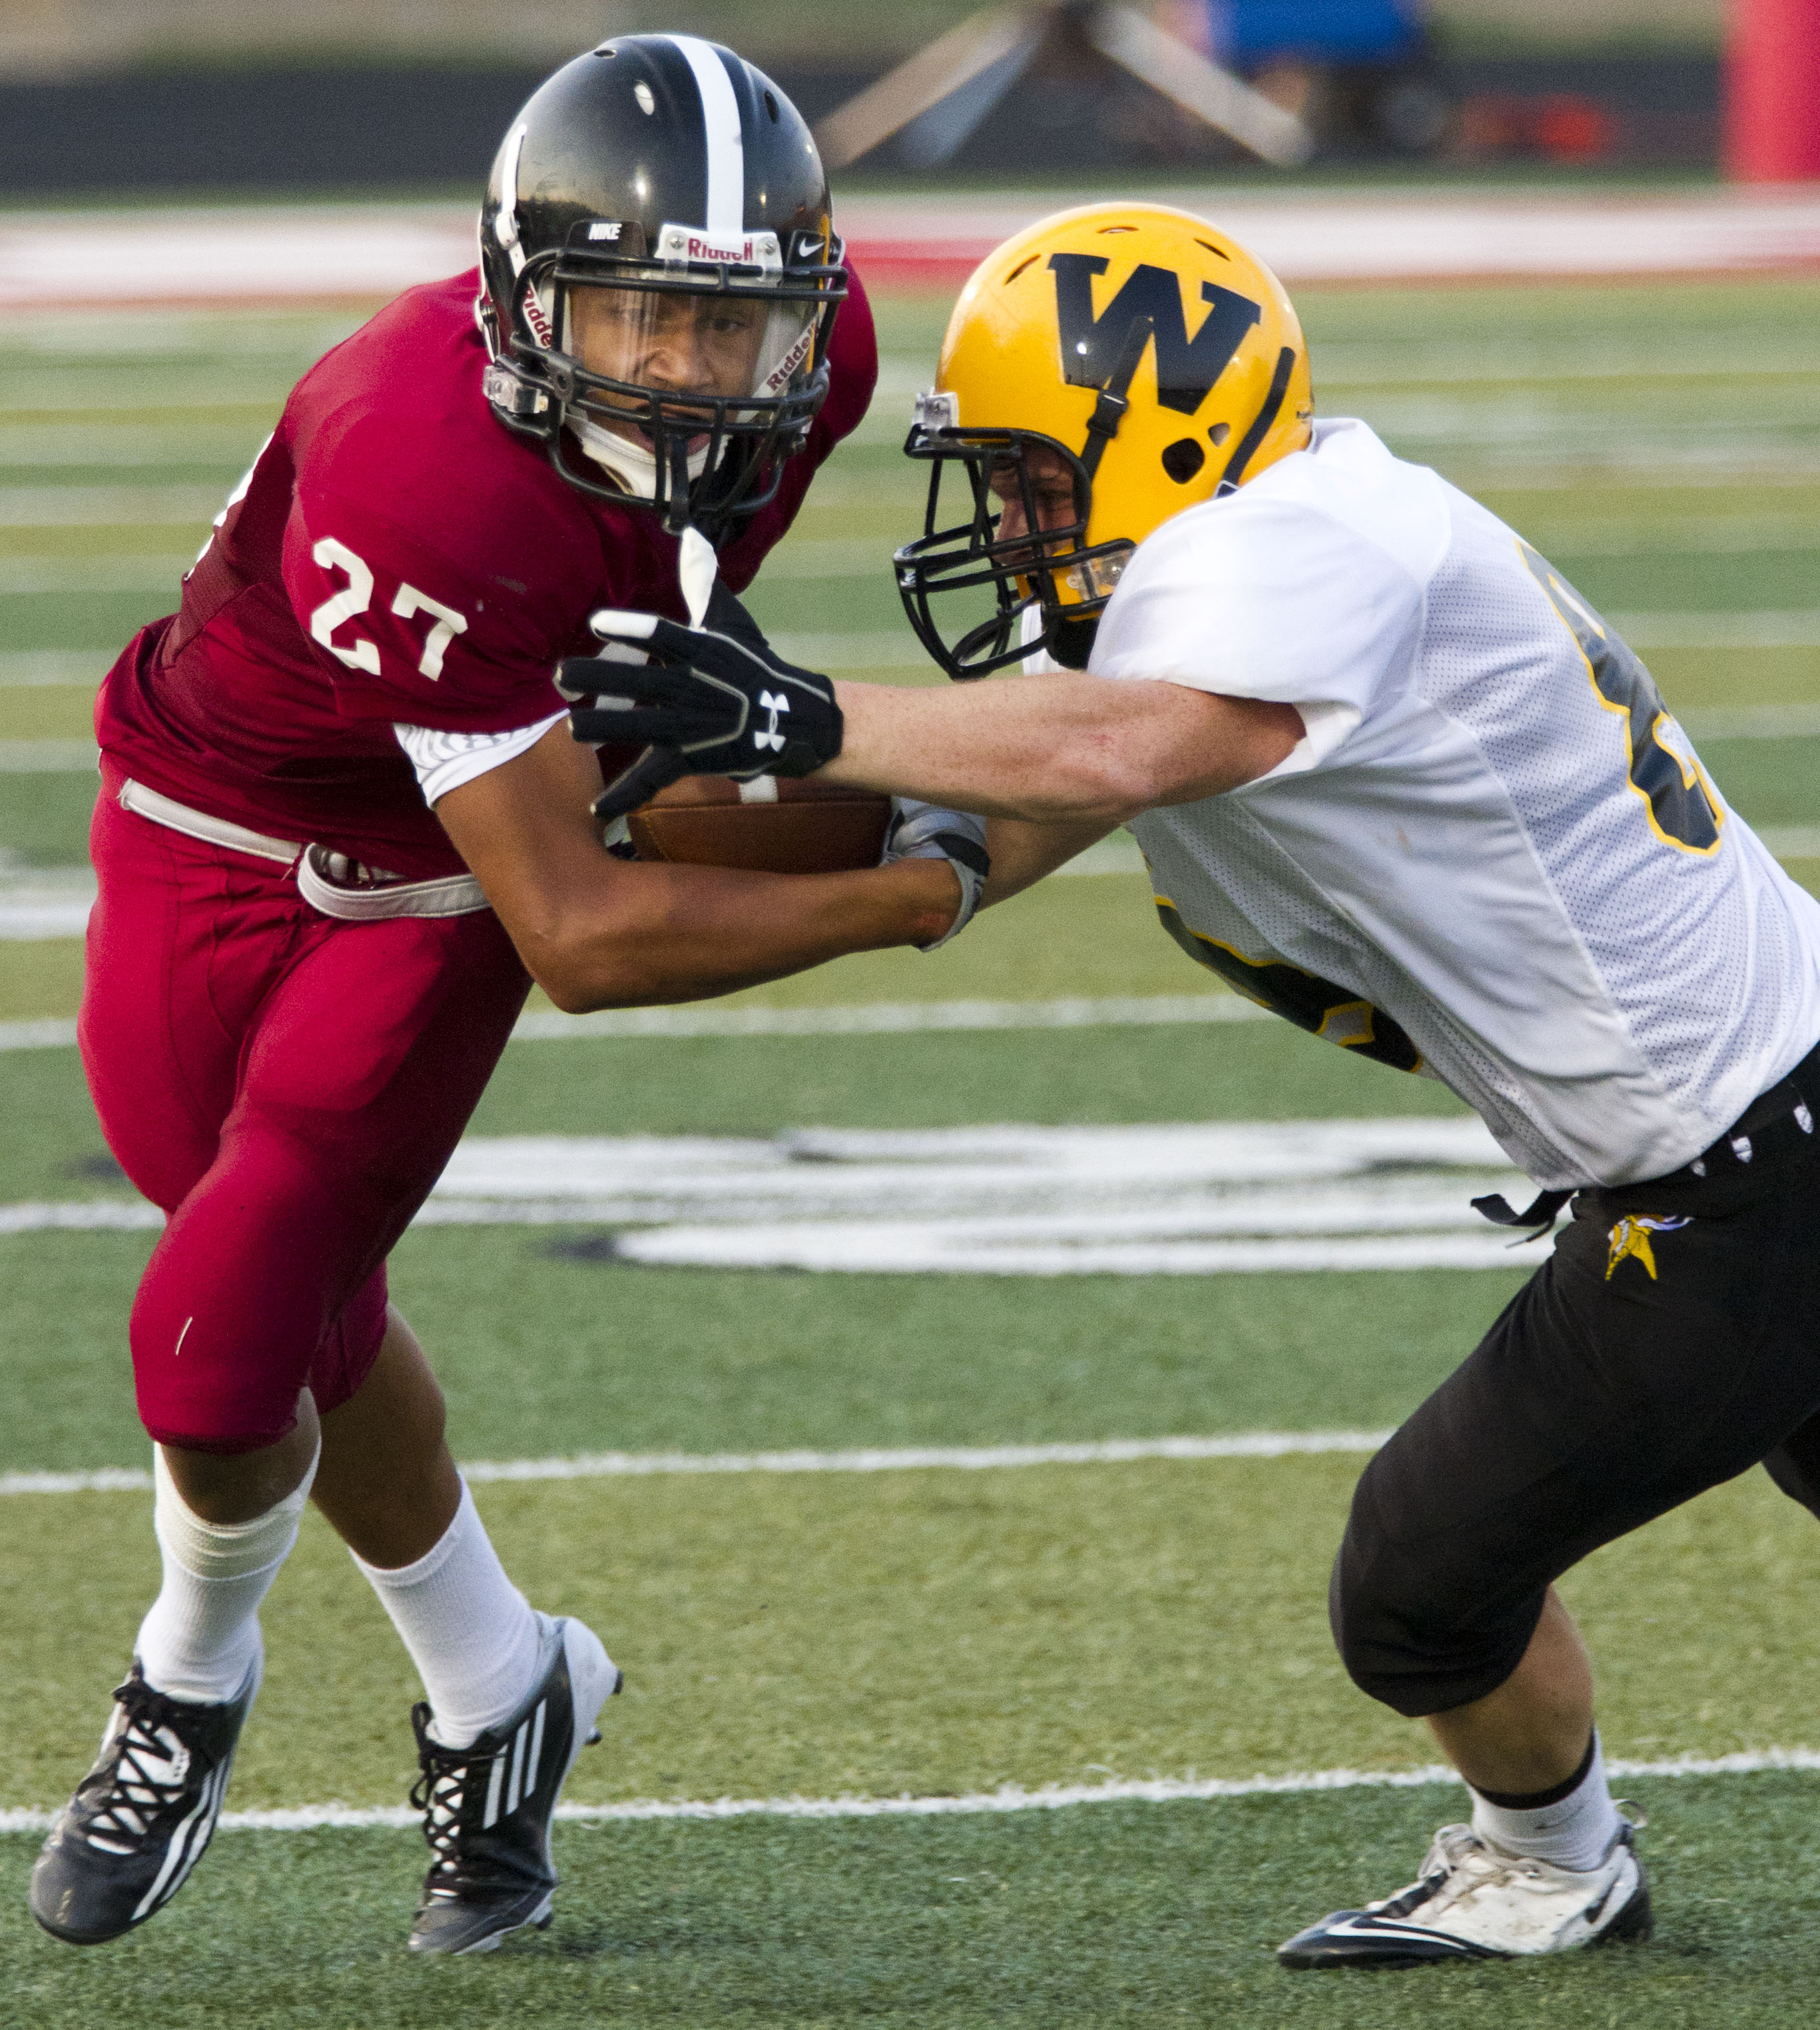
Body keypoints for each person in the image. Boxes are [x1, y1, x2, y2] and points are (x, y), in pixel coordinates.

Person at [571, 199, 1820, 1968]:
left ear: (1149, 427)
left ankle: (1552, 1861)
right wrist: (684, 866)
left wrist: (800, 721)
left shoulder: (1284, 557)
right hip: (1762, 1122)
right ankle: (1558, 1858)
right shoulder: (1279, 537)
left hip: (1738, 1174)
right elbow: (997, 828)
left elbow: (1114, 747)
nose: (1004, 525)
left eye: (1025, 480)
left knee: (1419, 1582)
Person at [31, 35, 986, 1959]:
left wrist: (798, 777)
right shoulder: (420, 459)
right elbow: (597, 934)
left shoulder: (822, 363)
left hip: (445, 870)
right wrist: (905, 895)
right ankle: (501, 1679)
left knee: (211, 1341)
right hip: (211, 824)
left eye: (735, 329)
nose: (696, 378)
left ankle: (183, 1686)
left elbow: (544, 880)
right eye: (638, 320)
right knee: (297, 1294)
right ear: (522, 296)